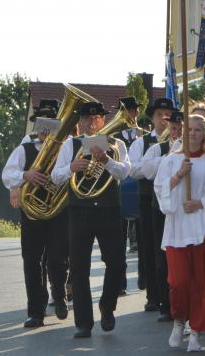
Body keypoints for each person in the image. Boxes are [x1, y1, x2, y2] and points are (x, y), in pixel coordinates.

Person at [51, 101, 131, 338]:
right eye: (86, 119)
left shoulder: (117, 145)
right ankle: (84, 323)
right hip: (80, 210)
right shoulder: (70, 145)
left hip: (108, 209)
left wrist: (106, 160)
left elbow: (125, 172)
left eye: (95, 119)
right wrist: (72, 167)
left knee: (117, 263)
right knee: (79, 267)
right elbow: (56, 176)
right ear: (79, 122)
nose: (90, 123)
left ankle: (107, 307)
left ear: (103, 121)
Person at [154, 115, 205, 351]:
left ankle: (196, 331)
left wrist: (200, 203)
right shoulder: (171, 161)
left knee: (201, 283)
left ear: (204, 134)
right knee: (179, 281)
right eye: (189, 129)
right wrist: (178, 176)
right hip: (179, 228)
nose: (193, 133)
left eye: (198, 130)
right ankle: (179, 320)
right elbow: (160, 191)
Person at [1, 102, 69, 328]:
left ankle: (59, 296)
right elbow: (7, 175)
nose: (44, 129)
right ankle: (36, 311)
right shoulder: (25, 148)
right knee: (31, 261)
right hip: (32, 213)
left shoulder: (65, 148)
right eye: (41, 124)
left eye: (49, 124)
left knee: (58, 259)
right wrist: (25, 175)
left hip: (58, 212)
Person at [128, 98, 176, 320]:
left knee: (168, 251)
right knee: (150, 249)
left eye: (168, 115)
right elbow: (135, 170)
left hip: (172, 201)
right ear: (152, 118)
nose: (164, 119)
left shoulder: (178, 141)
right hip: (149, 200)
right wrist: (164, 160)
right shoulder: (143, 143)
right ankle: (153, 296)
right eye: (160, 115)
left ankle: (170, 295)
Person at [114, 96, 143, 296]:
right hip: (120, 192)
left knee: (144, 239)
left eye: (133, 111)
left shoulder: (145, 135)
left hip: (140, 191)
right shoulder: (115, 138)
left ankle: (144, 279)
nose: (132, 114)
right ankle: (120, 283)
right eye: (128, 111)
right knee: (118, 240)